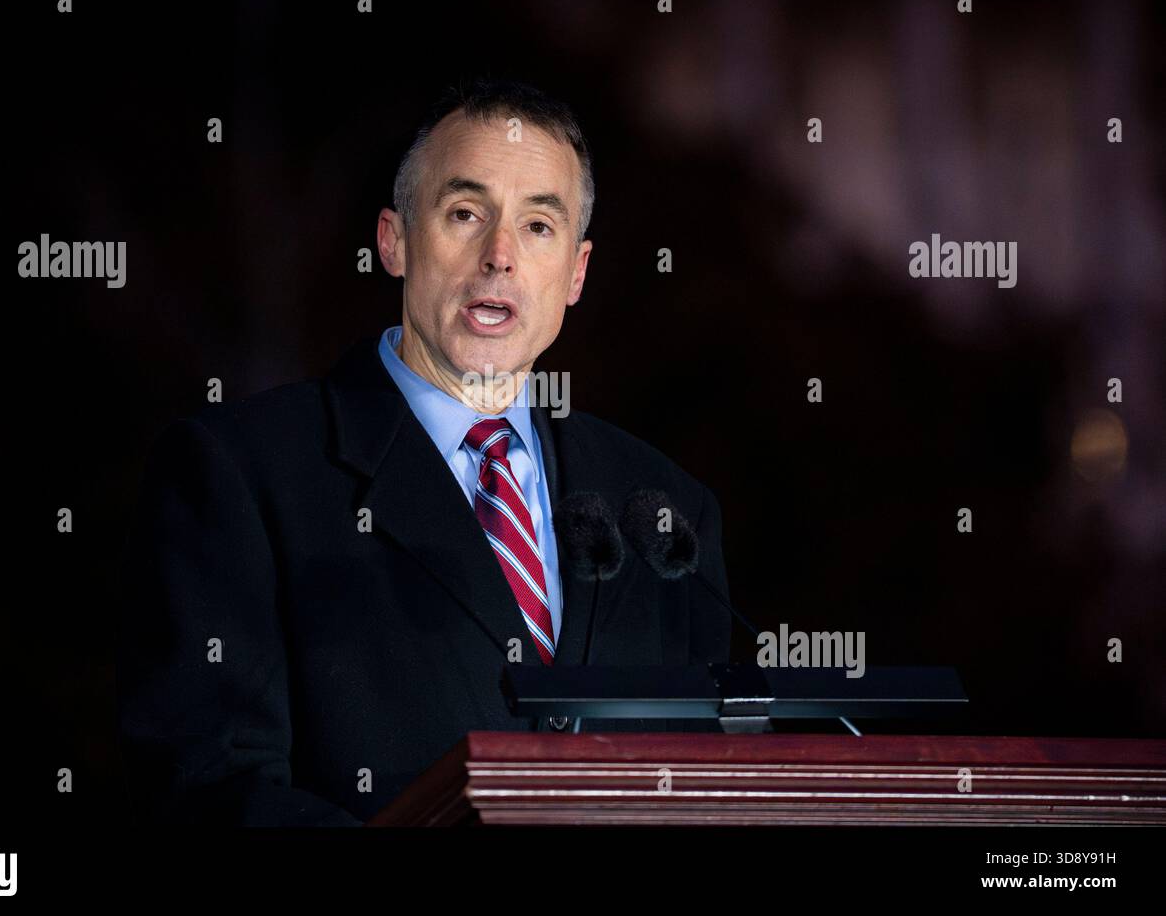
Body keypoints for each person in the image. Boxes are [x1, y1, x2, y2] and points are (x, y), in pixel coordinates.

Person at [117, 78, 734, 825]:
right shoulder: (242, 475)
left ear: (575, 273)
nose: (499, 255)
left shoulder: (662, 512)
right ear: (394, 241)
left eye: (539, 226)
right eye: (465, 213)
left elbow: (713, 787)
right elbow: (210, 793)